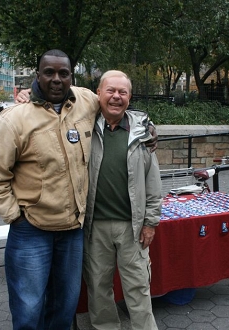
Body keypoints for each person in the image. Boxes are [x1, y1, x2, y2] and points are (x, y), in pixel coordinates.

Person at [0, 49, 101, 330]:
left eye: (63, 73)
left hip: (72, 230)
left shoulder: (85, 101)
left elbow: (116, 102)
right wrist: (15, 215)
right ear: (38, 75)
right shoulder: (15, 119)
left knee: (65, 306)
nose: (56, 79)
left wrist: (146, 127)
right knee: (29, 311)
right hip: (31, 232)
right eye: (49, 72)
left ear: (71, 76)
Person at [82, 70, 162, 330]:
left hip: (133, 227)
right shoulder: (84, 127)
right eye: (110, 91)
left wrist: (150, 221)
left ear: (129, 97)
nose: (116, 97)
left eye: (123, 92)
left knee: (138, 288)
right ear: (98, 94)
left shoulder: (142, 134)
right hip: (95, 227)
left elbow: (153, 181)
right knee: (98, 288)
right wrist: (27, 94)